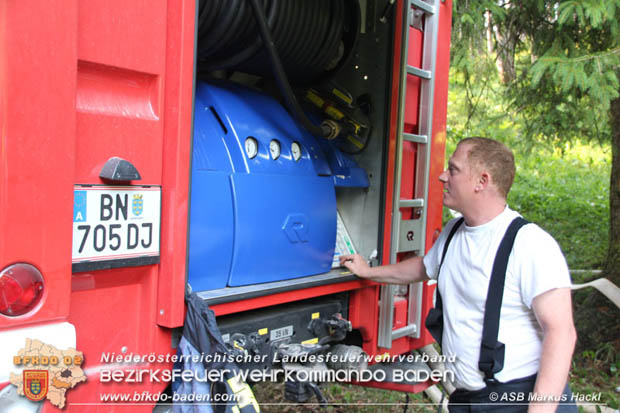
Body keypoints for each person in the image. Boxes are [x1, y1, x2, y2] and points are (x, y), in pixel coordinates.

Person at [340, 137, 577, 412]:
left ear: (482, 181)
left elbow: (561, 333)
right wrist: (368, 271)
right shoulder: (454, 232)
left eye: (453, 169)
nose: (442, 176)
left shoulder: (529, 244)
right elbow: (423, 267)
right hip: (467, 400)